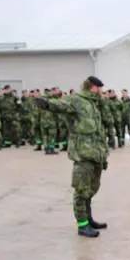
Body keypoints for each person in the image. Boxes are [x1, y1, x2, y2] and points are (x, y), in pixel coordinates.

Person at [35, 76, 108, 238]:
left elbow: (98, 131)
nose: (101, 91)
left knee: (92, 188)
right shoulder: (76, 100)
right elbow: (59, 105)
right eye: (99, 88)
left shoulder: (94, 103)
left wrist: (104, 154)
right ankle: (82, 225)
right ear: (92, 87)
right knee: (81, 189)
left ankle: (88, 219)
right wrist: (46, 103)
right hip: (82, 153)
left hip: (96, 153)